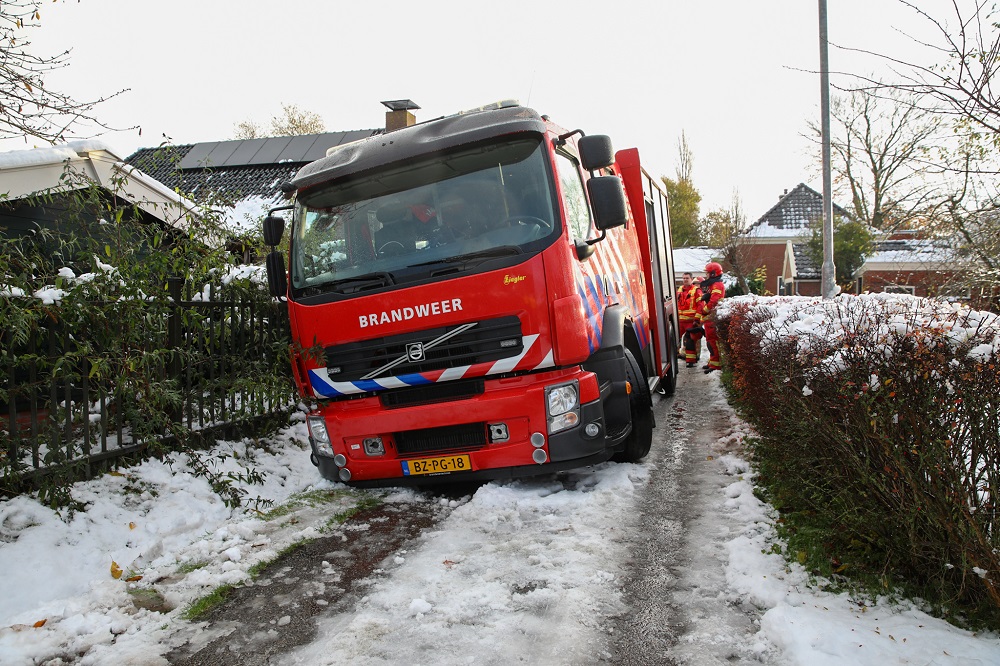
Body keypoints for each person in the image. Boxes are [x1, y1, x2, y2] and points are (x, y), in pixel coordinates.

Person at [699, 262, 726, 374]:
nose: (707, 276)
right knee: (710, 341)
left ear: (713, 273)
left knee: (713, 341)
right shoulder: (713, 285)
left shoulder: (717, 285)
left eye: (708, 273)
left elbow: (714, 301)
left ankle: (716, 365)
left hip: (711, 317)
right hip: (709, 318)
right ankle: (712, 362)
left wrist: (704, 310)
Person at [676, 273, 701, 364]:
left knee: (691, 340)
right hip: (680, 321)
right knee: (675, 340)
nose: (685, 280)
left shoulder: (696, 291)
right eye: (684, 278)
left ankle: (691, 361)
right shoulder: (679, 290)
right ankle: (675, 358)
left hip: (691, 321)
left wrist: (697, 319)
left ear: (691, 279)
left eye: (687, 278)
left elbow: (700, 305)